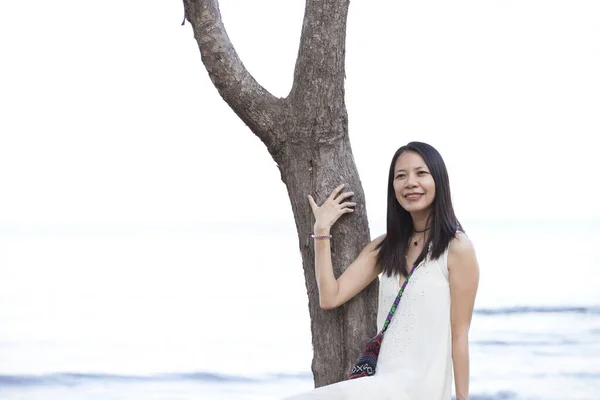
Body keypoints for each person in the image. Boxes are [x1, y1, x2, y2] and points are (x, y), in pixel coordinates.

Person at [284, 142, 480, 400]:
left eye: (421, 173)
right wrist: (321, 230)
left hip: (420, 389)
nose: (410, 182)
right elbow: (330, 297)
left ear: (439, 181)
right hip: (383, 383)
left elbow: (459, 335)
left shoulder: (457, 248)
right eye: (401, 176)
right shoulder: (385, 248)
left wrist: (462, 398)